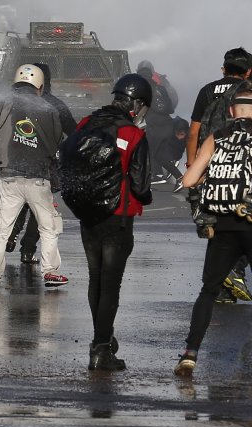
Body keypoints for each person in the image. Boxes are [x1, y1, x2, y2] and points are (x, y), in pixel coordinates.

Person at [174, 83, 252, 379]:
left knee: (208, 290)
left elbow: (188, 180)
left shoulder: (216, 137)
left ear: (230, 111)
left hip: (222, 225)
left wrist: (212, 176)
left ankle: (190, 354)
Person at [62, 74, 153, 371]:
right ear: (137, 104)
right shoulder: (134, 134)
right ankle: (101, 348)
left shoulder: (85, 124)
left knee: (95, 277)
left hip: (87, 213)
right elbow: (140, 186)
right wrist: (147, 196)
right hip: (118, 216)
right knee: (111, 283)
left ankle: (103, 337)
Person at [0, 64, 67, 289]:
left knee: (1, 230)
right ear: (39, 87)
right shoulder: (49, 109)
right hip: (38, 178)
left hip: (8, 178)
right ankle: (50, 272)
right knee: (49, 227)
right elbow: (56, 143)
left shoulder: (3, 104)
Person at [187, 48, 252, 304]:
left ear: (223, 69)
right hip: (244, 165)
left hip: (212, 162)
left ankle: (220, 283)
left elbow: (194, 131)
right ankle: (235, 273)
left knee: (216, 219)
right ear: (248, 71)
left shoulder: (207, 90)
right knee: (245, 219)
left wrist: (192, 164)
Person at [5, 62, 78, 266]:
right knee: (40, 209)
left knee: (19, 201)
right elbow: (73, 131)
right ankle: (28, 250)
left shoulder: (12, 102)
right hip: (46, 164)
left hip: (17, 160)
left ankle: (10, 236)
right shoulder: (55, 104)